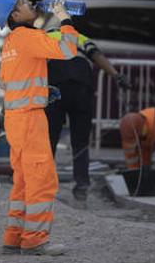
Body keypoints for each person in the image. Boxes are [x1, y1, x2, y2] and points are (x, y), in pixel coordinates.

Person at [0, 0, 79, 256]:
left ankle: (14, 237)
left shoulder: (10, 43)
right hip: (30, 118)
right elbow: (68, 49)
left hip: (15, 119)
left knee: (23, 182)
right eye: (23, 4)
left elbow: (6, 83)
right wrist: (65, 19)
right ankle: (35, 240)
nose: (30, 4)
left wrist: (39, 89)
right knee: (41, 180)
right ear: (15, 16)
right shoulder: (29, 38)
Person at [44, 28, 132, 203]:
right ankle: (81, 187)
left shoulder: (43, 36)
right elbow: (96, 55)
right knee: (80, 141)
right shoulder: (78, 37)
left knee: (49, 140)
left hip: (55, 85)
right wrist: (116, 75)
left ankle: (46, 188)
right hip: (82, 86)